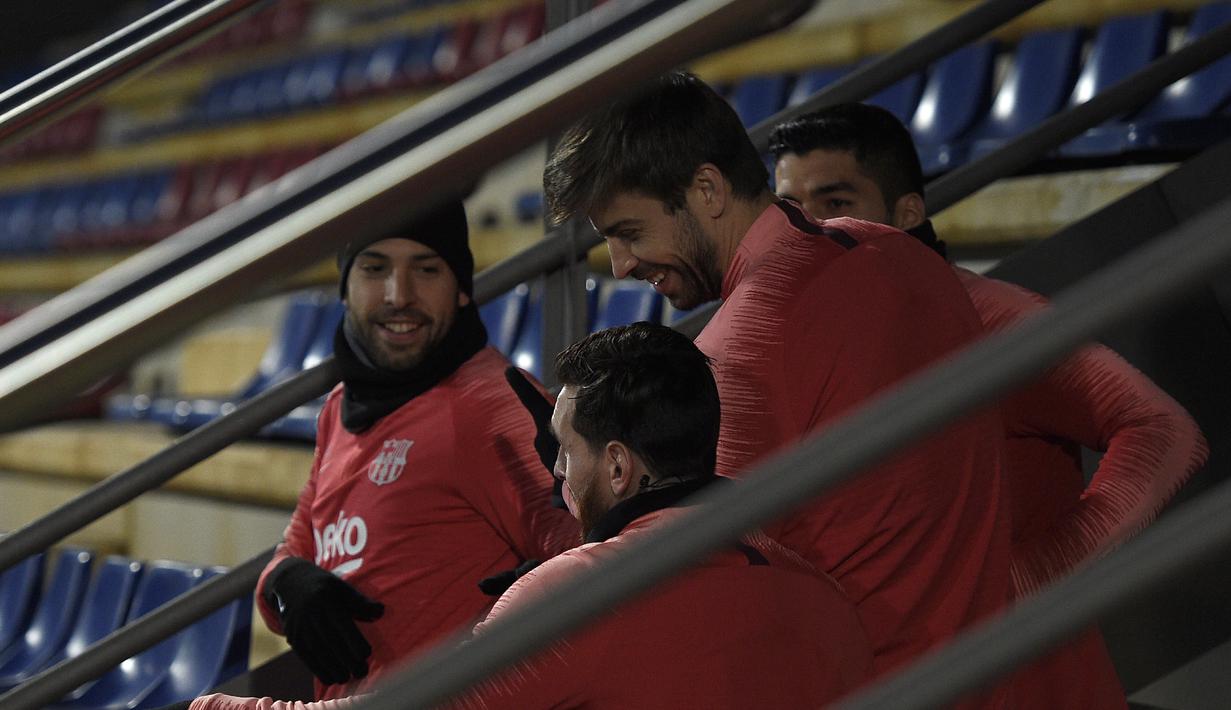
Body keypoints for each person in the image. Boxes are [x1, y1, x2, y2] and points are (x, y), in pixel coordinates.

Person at [542, 71, 1012, 704]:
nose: (622, 266)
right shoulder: (902, 256)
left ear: (707, 189)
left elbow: (691, 592)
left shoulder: (737, 350)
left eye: (629, 232)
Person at [175, 323, 873, 710]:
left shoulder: (574, 598)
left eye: (564, 455)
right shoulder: (821, 598)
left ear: (621, 468)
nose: (556, 476)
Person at [769, 102, 1209, 708]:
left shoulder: (988, 318)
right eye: (791, 210)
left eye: (836, 203)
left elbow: (1162, 428)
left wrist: (1034, 575)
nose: (809, 231)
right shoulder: (816, 341)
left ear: (906, 214)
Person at [254, 199, 580, 701]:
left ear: (463, 290)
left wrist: (538, 600)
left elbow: (598, 559)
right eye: (374, 268)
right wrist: (286, 581)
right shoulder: (341, 405)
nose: (398, 295)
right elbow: (296, 547)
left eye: (426, 270)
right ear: (344, 289)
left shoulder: (496, 407)